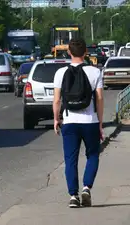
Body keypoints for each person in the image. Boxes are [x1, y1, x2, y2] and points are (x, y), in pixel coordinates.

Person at [52, 38, 104, 208]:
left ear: (68, 52)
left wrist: (56, 119)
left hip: (70, 121)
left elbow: (57, 100)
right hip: (90, 121)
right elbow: (99, 98)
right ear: (86, 52)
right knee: (93, 155)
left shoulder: (60, 73)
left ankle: (73, 196)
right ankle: (87, 187)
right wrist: (100, 123)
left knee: (70, 159)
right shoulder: (95, 72)